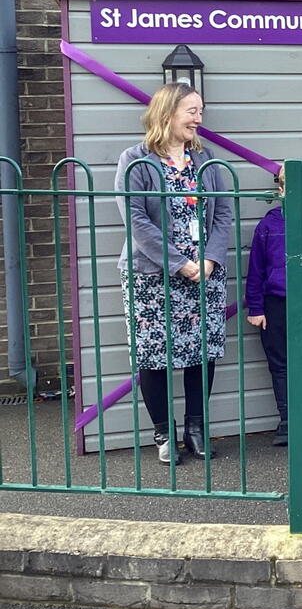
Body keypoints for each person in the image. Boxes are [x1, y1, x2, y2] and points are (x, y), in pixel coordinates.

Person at [115, 82, 235, 465]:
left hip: (205, 275)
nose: (199, 118)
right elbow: (135, 219)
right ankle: (164, 433)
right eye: (192, 111)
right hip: (152, 277)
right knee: (154, 355)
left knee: (202, 351)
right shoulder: (135, 160)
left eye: (201, 111)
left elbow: (223, 213)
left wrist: (211, 259)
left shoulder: (205, 159)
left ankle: (196, 429)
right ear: (167, 114)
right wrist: (178, 262)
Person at [244, 162, 302, 446]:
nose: (301, 194)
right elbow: (256, 269)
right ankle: (287, 420)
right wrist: (256, 307)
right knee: (280, 362)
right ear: (281, 191)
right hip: (276, 303)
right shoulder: (268, 226)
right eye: (293, 189)